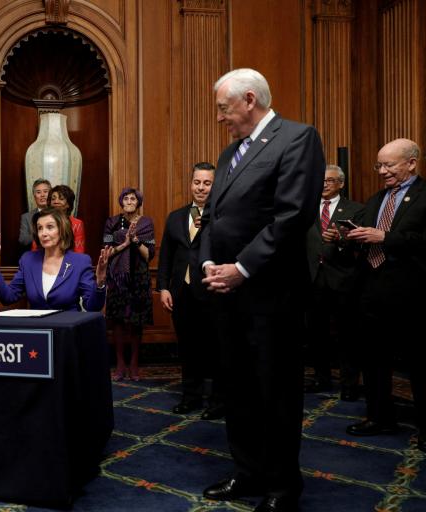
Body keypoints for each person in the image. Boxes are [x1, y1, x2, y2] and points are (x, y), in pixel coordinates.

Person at [199, 68, 325, 512]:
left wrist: (243, 268)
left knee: (275, 393)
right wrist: (211, 262)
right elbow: (215, 217)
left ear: (249, 99)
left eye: (222, 107)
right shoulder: (230, 152)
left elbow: (292, 217)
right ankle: (247, 472)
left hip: (271, 296)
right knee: (238, 390)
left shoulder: (297, 138)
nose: (219, 118)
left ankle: (281, 487)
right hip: (228, 295)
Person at [344, 139, 426, 453]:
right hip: (372, 290)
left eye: (389, 165)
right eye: (379, 165)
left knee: (419, 363)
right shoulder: (377, 198)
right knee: (374, 360)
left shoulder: (424, 196)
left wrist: (385, 237)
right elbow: (368, 236)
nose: (382, 171)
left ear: (412, 163)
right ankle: (379, 417)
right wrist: (348, 237)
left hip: (412, 294)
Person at [157, 163, 224, 420]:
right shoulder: (175, 216)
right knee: (188, 349)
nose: (201, 187)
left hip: (212, 292)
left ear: (214, 186)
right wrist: (163, 287)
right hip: (181, 293)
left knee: (216, 349)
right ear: (191, 183)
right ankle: (191, 397)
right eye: (197, 182)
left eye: (207, 183)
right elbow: (166, 256)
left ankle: (219, 401)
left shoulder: (222, 217)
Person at [303, 165, 363, 400]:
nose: (325, 184)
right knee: (316, 334)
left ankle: (349, 385)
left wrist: (342, 241)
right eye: (321, 180)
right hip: (312, 280)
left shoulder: (356, 210)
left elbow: (362, 246)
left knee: (347, 335)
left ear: (341, 183)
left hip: (343, 281)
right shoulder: (305, 209)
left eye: (330, 181)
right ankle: (321, 378)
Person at [0, 207, 112, 311]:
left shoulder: (80, 262)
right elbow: (8, 297)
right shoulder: (28, 260)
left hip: (67, 332)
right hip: (38, 333)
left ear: (62, 230)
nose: (43, 233)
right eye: (40, 228)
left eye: (50, 227)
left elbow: (92, 307)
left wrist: (100, 282)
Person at [103, 187, 154, 381]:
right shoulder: (112, 222)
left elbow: (149, 254)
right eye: (126, 198)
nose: (129, 201)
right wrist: (123, 244)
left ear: (138, 202)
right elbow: (106, 251)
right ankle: (120, 365)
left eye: (133, 198)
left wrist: (134, 240)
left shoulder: (146, 222)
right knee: (117, 322)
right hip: (117, 278)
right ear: (121, 202)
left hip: (139, 277)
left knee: (136, 323)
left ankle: (134, 365)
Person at [41, 184, 85, 253]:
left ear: (68, 204)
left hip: (69, 262)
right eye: (53, 199)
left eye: (61, 199)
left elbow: (79, 252)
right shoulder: (42, 221)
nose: (56, 201)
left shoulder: (77, 224)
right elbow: (36, 249)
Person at [19, 178, 51, 252]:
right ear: (34, 196)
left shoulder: (58, 214)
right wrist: (40, 234)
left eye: (45, 192)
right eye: (38, 192)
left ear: (51, 194)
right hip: (35, 255)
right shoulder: (26, 217)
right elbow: (23, 240)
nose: (42, 195)